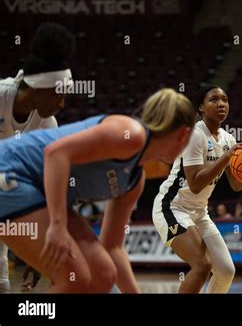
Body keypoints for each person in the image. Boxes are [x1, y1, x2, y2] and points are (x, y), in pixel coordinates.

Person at [0, 88, 195, 293]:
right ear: (184, 134)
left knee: (102, 274)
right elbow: (55, 153)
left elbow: (113, 247)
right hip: (10, 171)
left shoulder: (134, 181)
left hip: (36, 191)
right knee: (74, 278)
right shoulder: (131, 134)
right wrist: (57, 226)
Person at [152, 85, 242, 294]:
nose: (221, 104)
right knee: (202, 265)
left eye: (225, 100)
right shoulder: (194, 135)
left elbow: (235, 185)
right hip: (172, 208)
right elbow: (196, 184)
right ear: (201, 107)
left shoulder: (228, 140)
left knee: (226, 270)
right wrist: (226, 158)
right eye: (214, 100)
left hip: (200, 212)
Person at [0, 22, 75, 293]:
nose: (61, 104)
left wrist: (38, 255)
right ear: (38, 88)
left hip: (4, 200)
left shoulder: (48, 124)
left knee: (3, 286)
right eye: (59, 95)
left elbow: (46, 186)